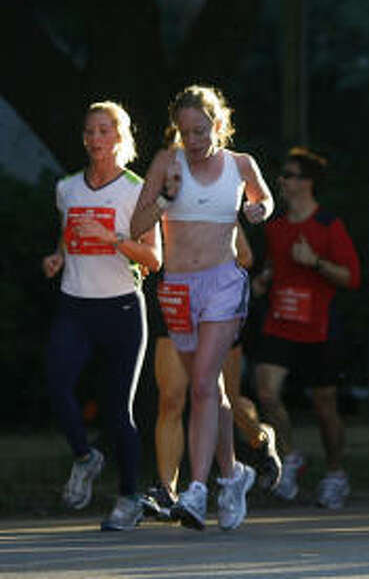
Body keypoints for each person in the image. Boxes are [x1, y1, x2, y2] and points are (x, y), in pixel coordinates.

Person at [130, 85, 272, 531]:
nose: (193, 141)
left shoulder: (240, 164)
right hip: (178, 287)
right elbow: (136, 225)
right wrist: (167, 199)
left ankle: (195, 488)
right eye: (185, 132)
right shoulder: (165, 164)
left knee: (204, 385)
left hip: (223, 285)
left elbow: (264, 199)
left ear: (218, 124)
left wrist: (257, 210)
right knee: (209, 390)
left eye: (201, 130)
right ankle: (232, 475)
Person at [42, 101, 162, 531]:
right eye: (90, 131)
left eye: (105, 132)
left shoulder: (137, 189)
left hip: (122, 306)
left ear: (121, 138)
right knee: (57, 385)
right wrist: (58, 257)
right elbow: (67, 233)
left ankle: (129, 498)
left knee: (117, 409)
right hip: (75, 302)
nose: (96, 140)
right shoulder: (68, 188)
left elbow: (153, 258)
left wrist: (113, 238)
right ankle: (85, 456)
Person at [140, 227, 281, 522]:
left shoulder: (216, 194)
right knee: (171, 398)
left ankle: (259, 439)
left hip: (215, 309)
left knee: (221, 398)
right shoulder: (162, 201)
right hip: (176, 304)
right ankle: (167, 489)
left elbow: (245, 256)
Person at [252, 147, 361, 509]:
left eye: (290, 174)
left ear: (308, 182)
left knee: (325, 406)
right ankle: (290, 456)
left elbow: (351, 277)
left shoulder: (329, 225)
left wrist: (315, 262)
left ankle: (335, 473)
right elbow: (271, 265)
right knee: (266, 392)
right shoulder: (276, 227)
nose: (282, 180)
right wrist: (264, 279)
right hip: (280, 322)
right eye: (282, 175)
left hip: (319, 326)